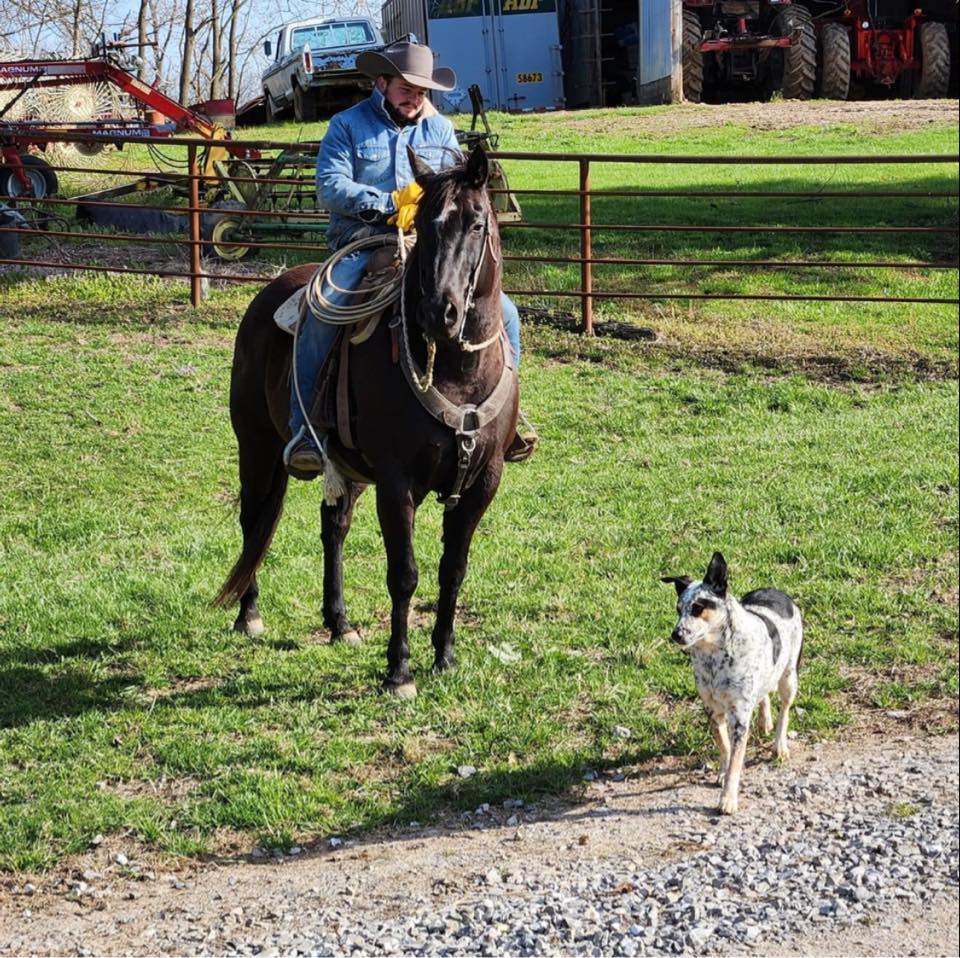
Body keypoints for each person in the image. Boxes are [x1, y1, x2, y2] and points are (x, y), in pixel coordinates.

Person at [284, 40, 533, 477]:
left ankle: (508, 419)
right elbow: (330, 185)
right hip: (363, 240)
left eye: (421, 90)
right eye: (405, 88)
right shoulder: (347, 125)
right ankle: (305, 426)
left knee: (506, 314)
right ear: (381, 83)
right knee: (322, 310)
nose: (414, 97)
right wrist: (387, 203)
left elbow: (459, 193)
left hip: (429, 245)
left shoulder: (439, 131)